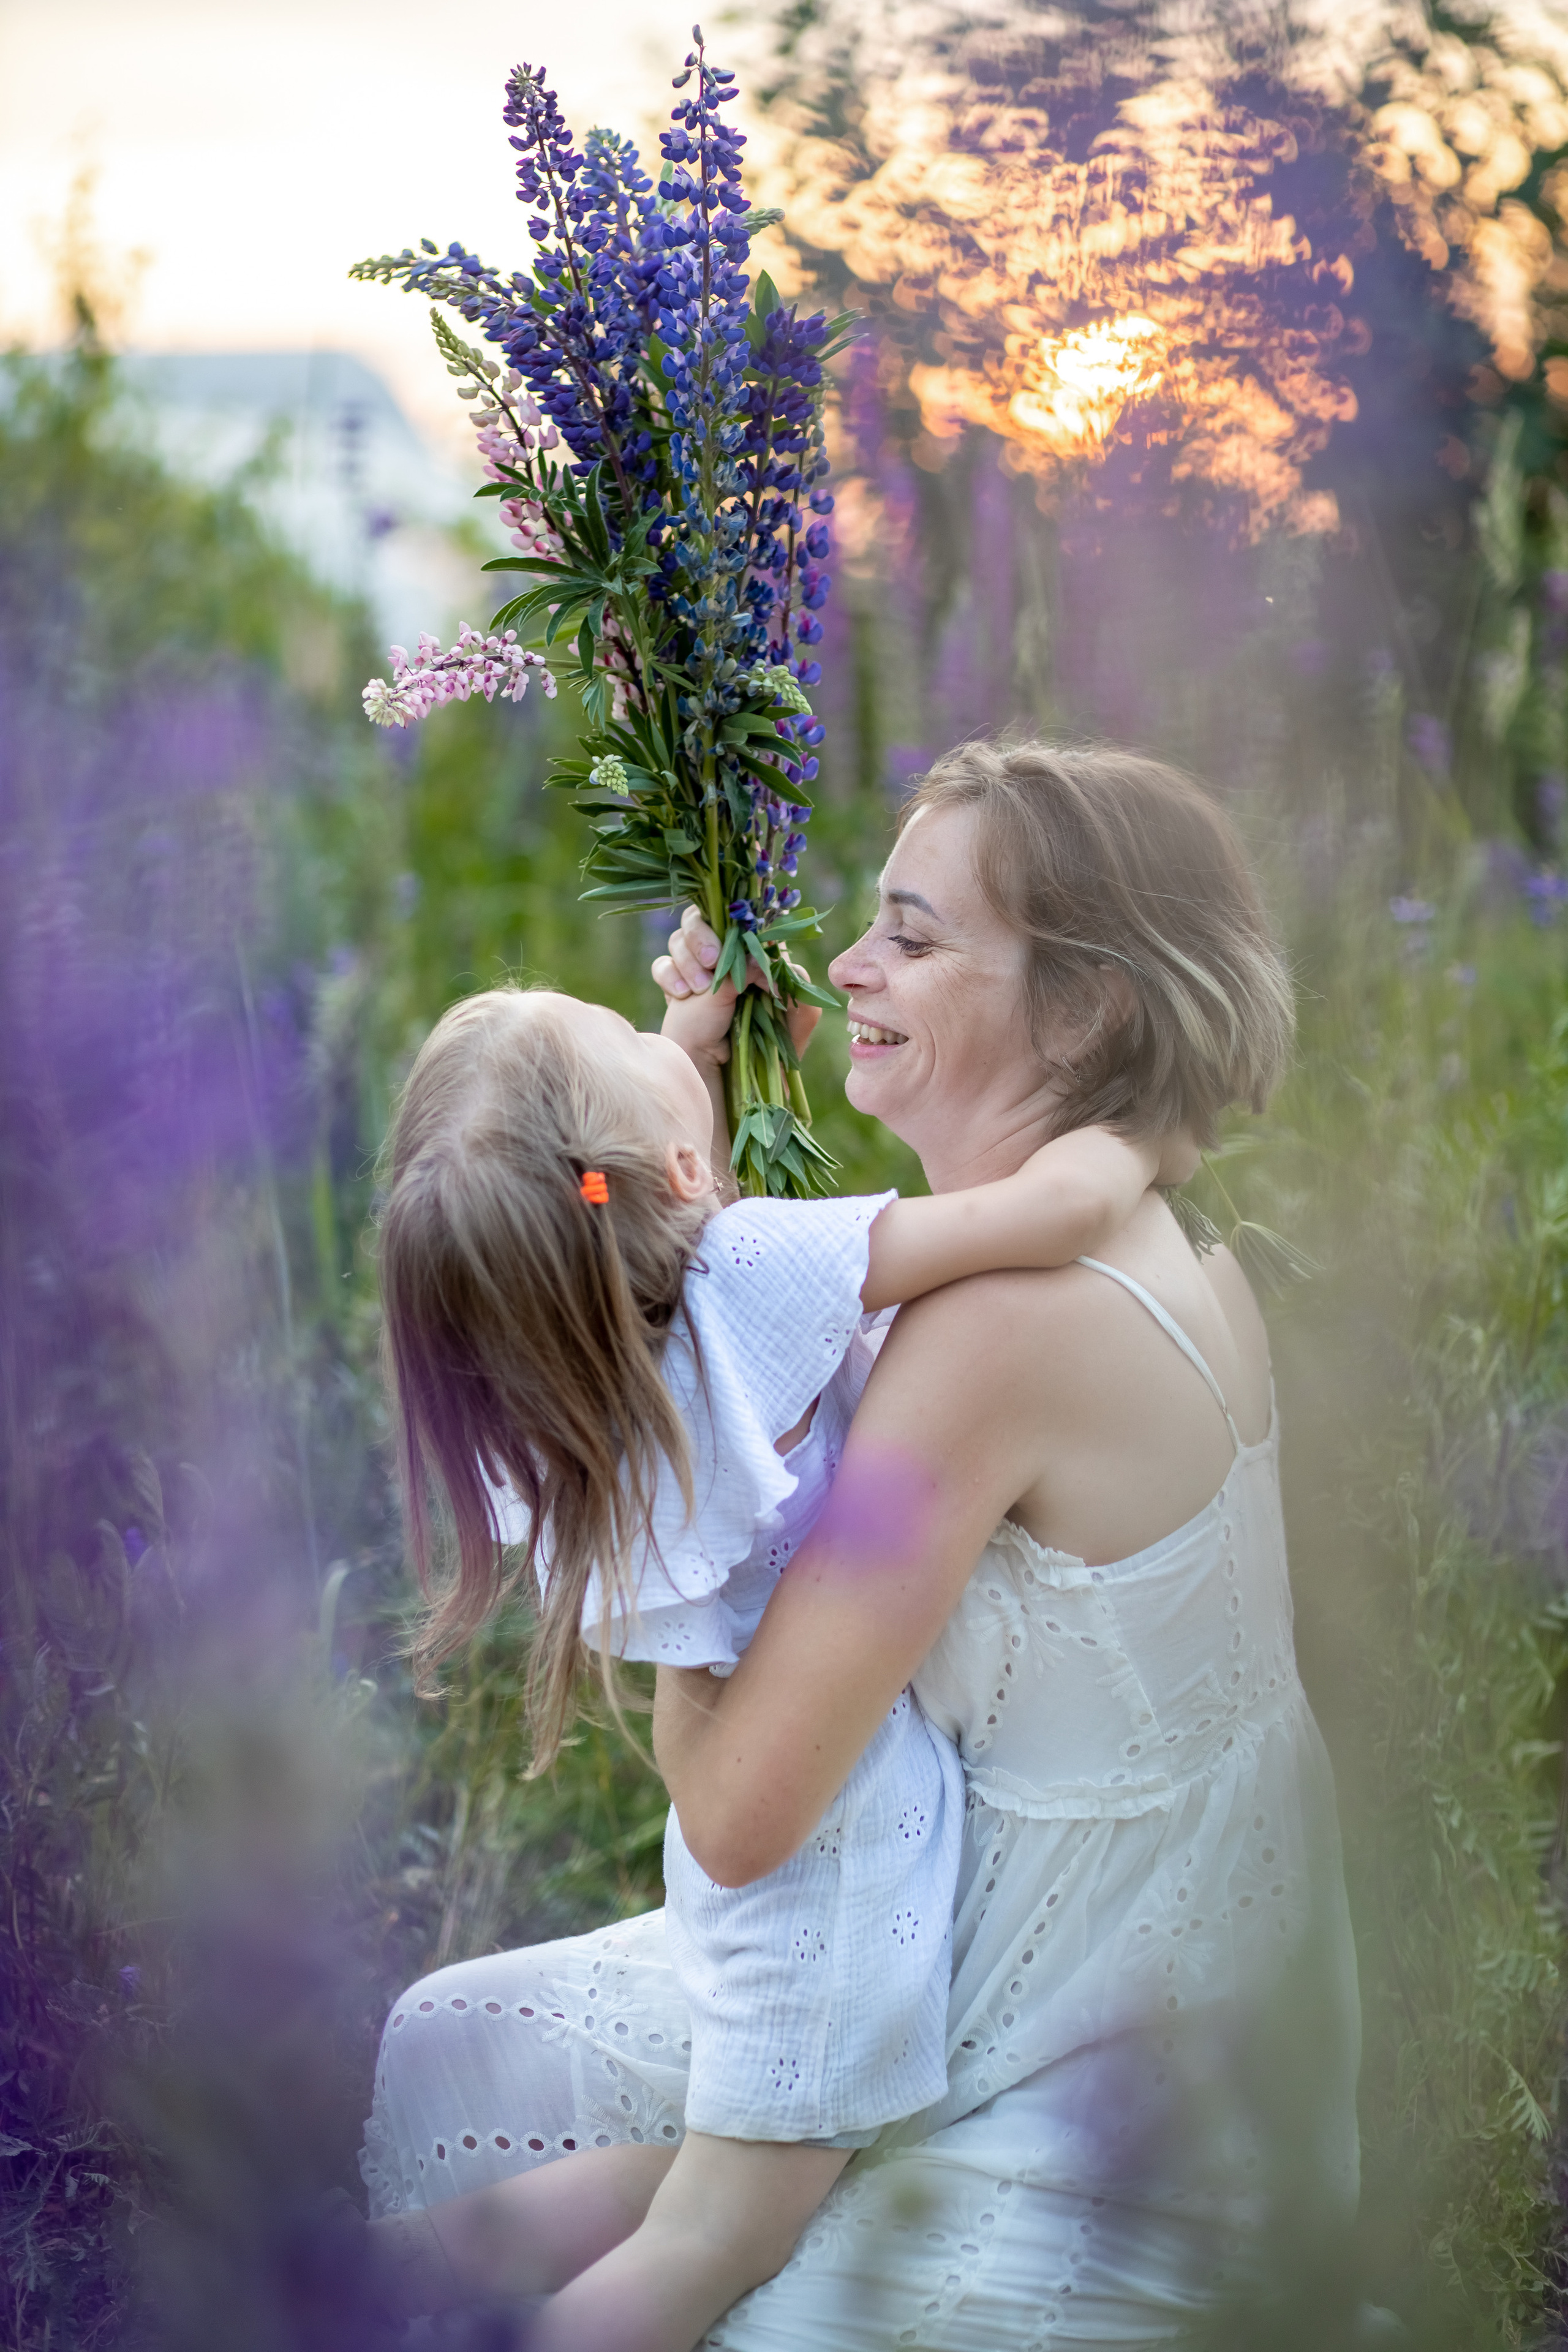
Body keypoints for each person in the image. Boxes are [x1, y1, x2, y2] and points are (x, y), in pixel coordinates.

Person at [358, 742, 1362, 2350]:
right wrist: (674, 1106)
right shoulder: (1155, 1241)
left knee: (675, 2236)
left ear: (1082, 1011)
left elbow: (737, 1811)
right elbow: (717, 1280)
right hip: (1053, 1959)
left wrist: (683, 1610)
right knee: (466, 2042)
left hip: (1072, 2056)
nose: (841, 965)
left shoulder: (996, 1337)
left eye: (912, 933)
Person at [367, 977, 1178, 2351]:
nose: (658, 1033)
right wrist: (1148, 1129)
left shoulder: (572, 1387)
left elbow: (624, 1210)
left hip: (758, 1859)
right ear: (680, 1175)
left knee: (701, 2187)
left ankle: (370, 2279)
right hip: (842, 1871)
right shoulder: (749, 1272)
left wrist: (680, 1061)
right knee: (714, 2240)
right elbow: (1052, 1215)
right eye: (630, 1038)